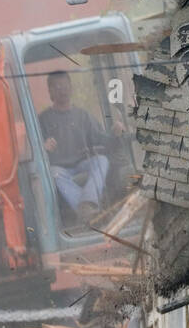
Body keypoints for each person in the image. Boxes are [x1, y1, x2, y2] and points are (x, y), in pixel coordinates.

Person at [38, 69, 125, 225]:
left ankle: (86, 207)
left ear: (71, 88)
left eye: (65, 86)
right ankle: (90, 212)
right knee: (54, 173)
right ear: (50, 91)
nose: (63, 90)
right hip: (60, 169)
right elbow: (35, 150)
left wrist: (115, 133)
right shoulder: (43, 119)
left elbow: (102, 139)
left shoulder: (82, 115)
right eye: (57, 87)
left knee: (102, 160)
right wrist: (43, 147)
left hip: (82, 164)